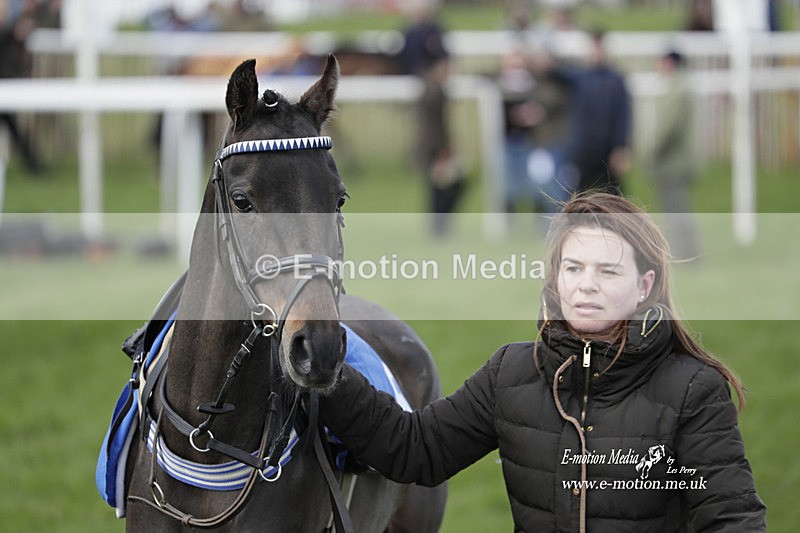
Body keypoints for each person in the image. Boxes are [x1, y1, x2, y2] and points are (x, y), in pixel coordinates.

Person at [320, 192, 766, 532]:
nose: (585, 285)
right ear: (556, 278)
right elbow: (414, 450)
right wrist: (326, 371)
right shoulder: (513, 372)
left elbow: (732, 520)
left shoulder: (692, 389)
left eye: (607, 271)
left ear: (644, 285)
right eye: (573, 268)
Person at [644, 50, 700, 262]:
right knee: (675, 211)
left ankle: (686, 255)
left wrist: (651, 151)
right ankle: (683, 253)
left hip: (673, 163)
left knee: (677, 211)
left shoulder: (678, 90)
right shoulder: (679, 87)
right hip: (673, 162)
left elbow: (669, 128)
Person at [561, 30, 631, 195]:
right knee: (573, 197)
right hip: (583, 150)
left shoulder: (616, 80)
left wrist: (621, 147)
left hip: (608, 150)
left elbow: (623, 116)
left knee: (616, 198)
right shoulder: (580, 78)